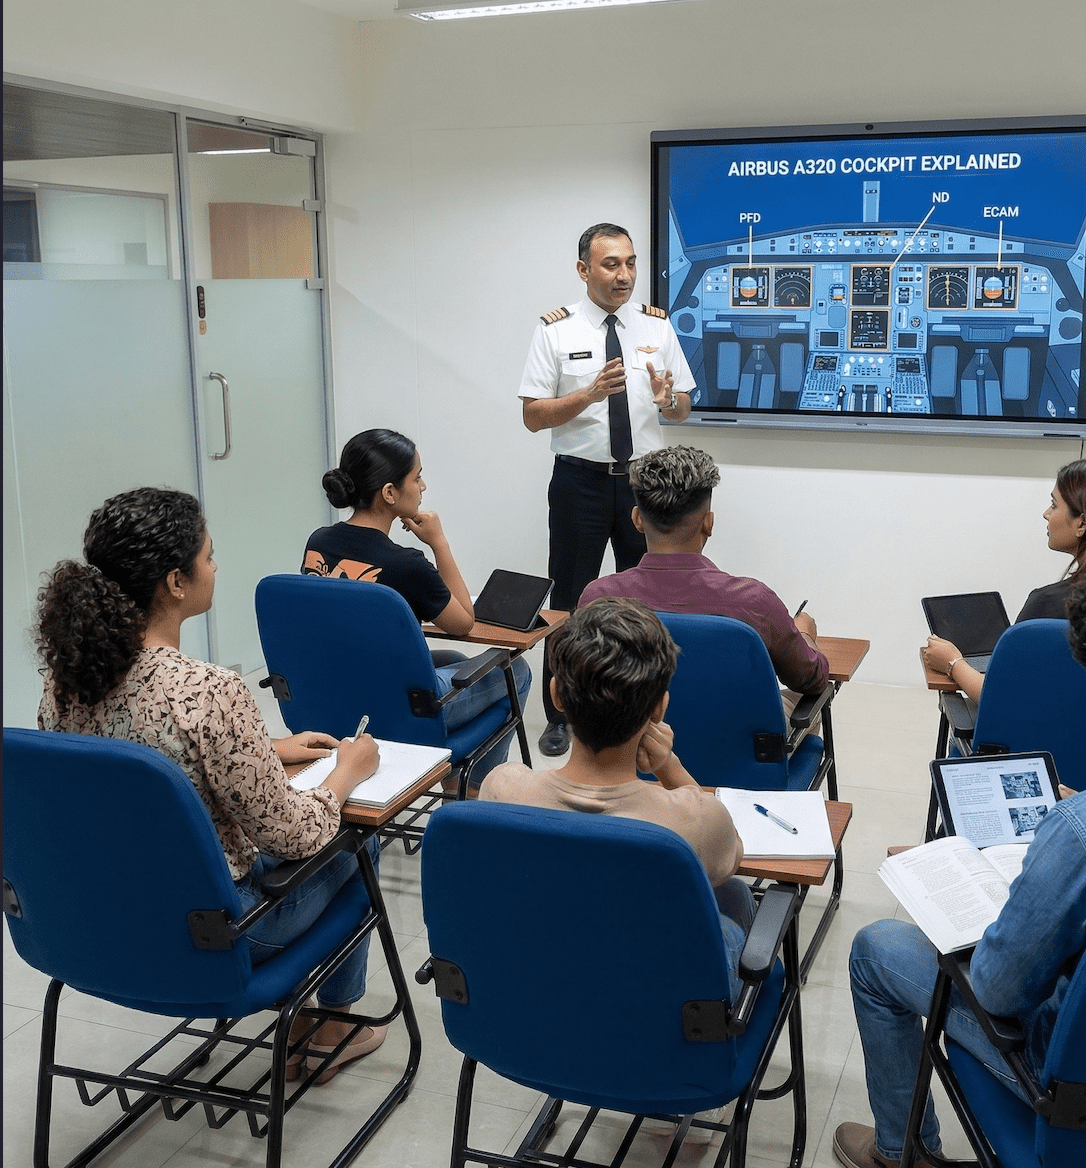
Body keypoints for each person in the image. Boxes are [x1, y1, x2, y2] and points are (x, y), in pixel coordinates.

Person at [833, 558, 1086, 1168]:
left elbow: (998, 989)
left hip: (1082, 1089)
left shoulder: (1085, 836)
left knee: (877, 949)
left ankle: (903, 1152)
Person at [36, 487, 388, 1082]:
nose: (216, 567)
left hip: (96, 919)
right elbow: (295, 833)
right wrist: (349, 772)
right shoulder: (207, 692)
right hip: (215, 932)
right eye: (210, 555)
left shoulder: (64, 683)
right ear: (177, 581)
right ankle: (331, 1023)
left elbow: (134, 767)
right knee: (355, 837)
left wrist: (262, 750)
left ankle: (313, 1016)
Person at [479, 598, 756, 991]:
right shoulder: (694, 821)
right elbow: (730, 850)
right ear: (660, 708)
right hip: (652, 1006)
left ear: (556, 695)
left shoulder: (501, 789)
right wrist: (669, 766)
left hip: (537, 986)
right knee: (733, 896)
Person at [518, 223, 696, 756]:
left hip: (645, 484)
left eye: (631, 263)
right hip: (580, 482)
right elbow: (532, 416)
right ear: (584, 270)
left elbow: (682, 405)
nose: (624, 275)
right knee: (570, 600)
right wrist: (588, 394)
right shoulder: (556, 330)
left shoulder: (656, 327)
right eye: (611, 265)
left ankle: (645, 706)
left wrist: (668, 401)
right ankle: (559, 713)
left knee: (650, 596)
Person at [303, 428, 531, 788]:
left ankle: (456, 777)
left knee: (454, 657)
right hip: (393, 709)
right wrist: (439, 542)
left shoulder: (318, 542)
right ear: (390, 493)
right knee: (513, 670)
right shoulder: (405, 564)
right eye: (417, 477)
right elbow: (462, 621)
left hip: (331, 695)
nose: (423, 487)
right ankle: (468, 790)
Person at [578, 445, 829, 712]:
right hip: (733, 750)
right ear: (708, 523)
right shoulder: (755, 602)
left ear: (638, 520)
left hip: (633, 742)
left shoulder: (597, 599)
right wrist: (804, 634)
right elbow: (811, 680)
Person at [923, 456, 1086, 706]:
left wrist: (953, 663)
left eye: (1054, 505)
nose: (1046, 514)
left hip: (1043, 745)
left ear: (1082, 523)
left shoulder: (1050, 606)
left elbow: (1000, 697)